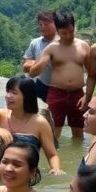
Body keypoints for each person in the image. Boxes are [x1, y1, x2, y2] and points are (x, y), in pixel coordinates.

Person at [0, 76, 64, 174]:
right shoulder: (1, 115)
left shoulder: (40, 122)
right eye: (7, 91)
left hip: (27, 174)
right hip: (5, 172)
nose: (8, 96)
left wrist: (56, 169)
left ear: (27, 96)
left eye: (14, 92)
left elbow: (52, 155)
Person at [28, 11, 90, 139]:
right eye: (64, 33)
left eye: (71, 31)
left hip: (77, 94)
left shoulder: (83, 46)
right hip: (56, 93)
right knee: (53, 133)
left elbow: (92, 74)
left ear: (74, 27)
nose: (68, 36)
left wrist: (87, 96)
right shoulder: (51, 48)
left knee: (79, 133)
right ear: (57, 30)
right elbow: (33, 73)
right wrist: (42, 61)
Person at [23, 10, 57, 102]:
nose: (42, 27)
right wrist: (39, 63)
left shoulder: (62, 42)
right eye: (40, 24)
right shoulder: (35, 43)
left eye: (46, 24)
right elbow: (25, 66)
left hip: (60, 87)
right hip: (41, 85)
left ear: (56, 24)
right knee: (20, 81)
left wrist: (34, 63)